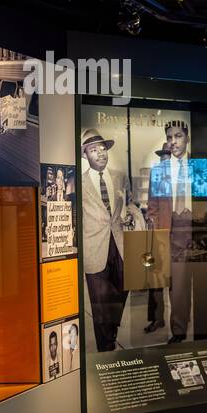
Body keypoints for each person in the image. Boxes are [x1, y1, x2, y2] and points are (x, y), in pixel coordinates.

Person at [81, 128, 132, 352]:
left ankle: (111, 329)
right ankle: (105, 347)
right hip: (94, 247)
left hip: (119, 243)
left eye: (102, 148)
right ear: (85, 155)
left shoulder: (119, 176)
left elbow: (127, 204)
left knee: (121, 289)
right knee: (100, 301)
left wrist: (129, 214)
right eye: (94, 150)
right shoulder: (79, 183)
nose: (100, 153)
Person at [147, 119, 195, 343]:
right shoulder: (158, 171)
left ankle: (182, 327)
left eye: (178, 136)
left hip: (192, 228)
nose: (173, 141)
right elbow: (153, 206)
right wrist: (157, 229)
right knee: (169, 282)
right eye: (169, 137)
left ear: (187, 138)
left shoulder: (198, 167)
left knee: (186, 283)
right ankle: (172, 326)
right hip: (169, 229)